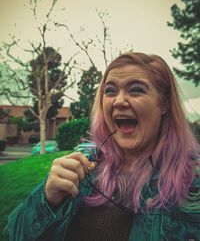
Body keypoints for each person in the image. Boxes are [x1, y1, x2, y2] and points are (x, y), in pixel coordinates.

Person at [8, 52, 200, 241]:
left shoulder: (194, 178)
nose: (119, 101)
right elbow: (15, 234)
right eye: (110, 90)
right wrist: (47, 199)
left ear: (164, 103)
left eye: (136, 90)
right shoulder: (85, 162)